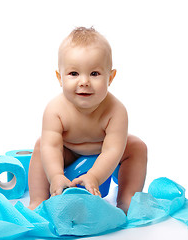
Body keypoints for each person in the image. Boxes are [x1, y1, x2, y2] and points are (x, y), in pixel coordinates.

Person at [28, 27, 147, 214]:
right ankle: (37, 200)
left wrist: (94, 176)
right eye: (74, 74)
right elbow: (52, 147)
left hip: (104, 151)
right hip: (69, 151)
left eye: (94, 74)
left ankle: (126, 199)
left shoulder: (116, 111)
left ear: (111, 77)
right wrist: (56, 175)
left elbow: (113, 150)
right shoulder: (55, 110)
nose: (84, 81)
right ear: (60, 77)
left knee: (137, 147)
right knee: (41, 146)